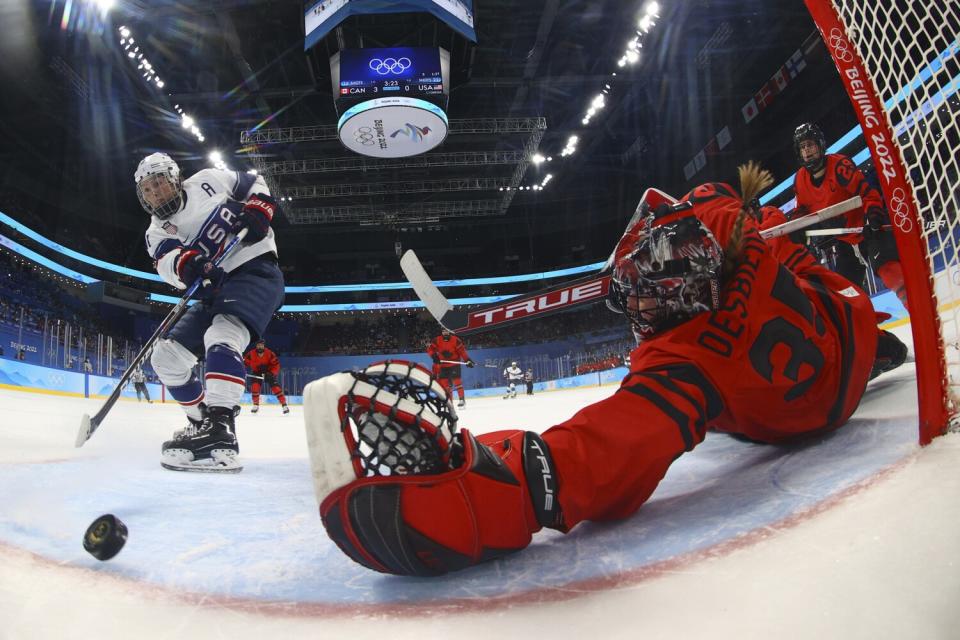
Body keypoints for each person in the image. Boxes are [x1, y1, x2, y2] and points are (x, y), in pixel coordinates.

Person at [305, 164, 907, 577]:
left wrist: (477, 493)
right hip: (843, 319)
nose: (637, 316)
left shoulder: (688, 362)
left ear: (681, 297)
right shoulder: (731, 232)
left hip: (803, 412)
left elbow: (596, 454)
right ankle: (880, 348)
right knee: (795, 274)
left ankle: (877, 352)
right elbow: (712, 204)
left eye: (645, 302)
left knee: (730, 395)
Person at [140, 152, 285, 473]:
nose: (155, 193)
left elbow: (252, 182)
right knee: (165, 358)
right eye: (147, 190)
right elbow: (168, 262)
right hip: (215, 290)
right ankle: (202, 422)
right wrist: (188, 265)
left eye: (159, 183)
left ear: (175, 178)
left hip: (254, 269)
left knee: (223, 335)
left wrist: (260, 207)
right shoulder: (157, 232)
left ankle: (220, 432)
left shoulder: (208, 179)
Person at [791, 123, 908, 309]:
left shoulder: (839, 165)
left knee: (891, 273)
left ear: (820, 145)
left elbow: (867, 194)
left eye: (810, 144)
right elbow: (801, 212)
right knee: (844, 297)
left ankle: (921, 312)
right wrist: (796, 227)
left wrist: (873, 216)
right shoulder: (799, 180)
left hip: (868, 232)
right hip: (844, 242)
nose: (807, 150)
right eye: (803, 147)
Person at [426, 328, 474, 408]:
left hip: (454, 364)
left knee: (457, 382)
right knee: (445, 385)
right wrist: (434, 356)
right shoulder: (437, 340)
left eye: (447, 331)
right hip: (443, 365)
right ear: (442, 332)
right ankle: (449, 403)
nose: (445, 333)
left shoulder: (456, 340)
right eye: (443, 331)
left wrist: (467, 360)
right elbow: (430, 349)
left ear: (449, 332)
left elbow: (462, 352)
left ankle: (462, 400)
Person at [243, 338, 289, 414]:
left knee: (276, 388)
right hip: (257, 372)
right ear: (256, 346)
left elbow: (276, 365)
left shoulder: (270, 353)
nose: (260, 346)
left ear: (264, 346)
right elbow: (245, 363)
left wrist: (271, 373)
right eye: (258, 345)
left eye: (261, 345)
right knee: (255, 387)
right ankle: (255, 405)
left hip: (269, 373)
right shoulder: (251, 354)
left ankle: (284, 405)